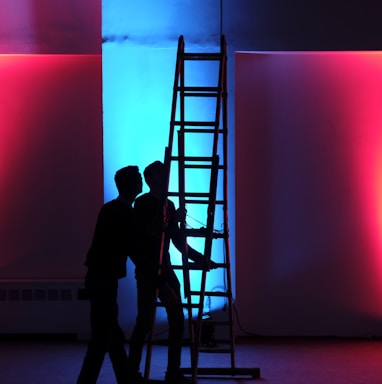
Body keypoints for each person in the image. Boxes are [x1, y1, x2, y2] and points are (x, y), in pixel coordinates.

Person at [127, 160, 216, 384]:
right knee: (144, 322)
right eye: (160, 174)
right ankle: (131, 374)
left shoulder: (169, 204)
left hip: (164, 266)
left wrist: (201, 258)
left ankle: (173, 372)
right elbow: (146, 236)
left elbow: (176, 240)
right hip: (148, 268)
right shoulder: (143, 203)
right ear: (150, 179)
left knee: (177, 318)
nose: (165, 177)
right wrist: (169, 224)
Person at [77, 166, 142, 384]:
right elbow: (132, 246)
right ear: (135, 185)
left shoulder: (110, 209)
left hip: (99, 278)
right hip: (104, 279)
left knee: (111, 337)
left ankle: (126, 379)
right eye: (139, 179)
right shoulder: (124, 213)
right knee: (102, 339)